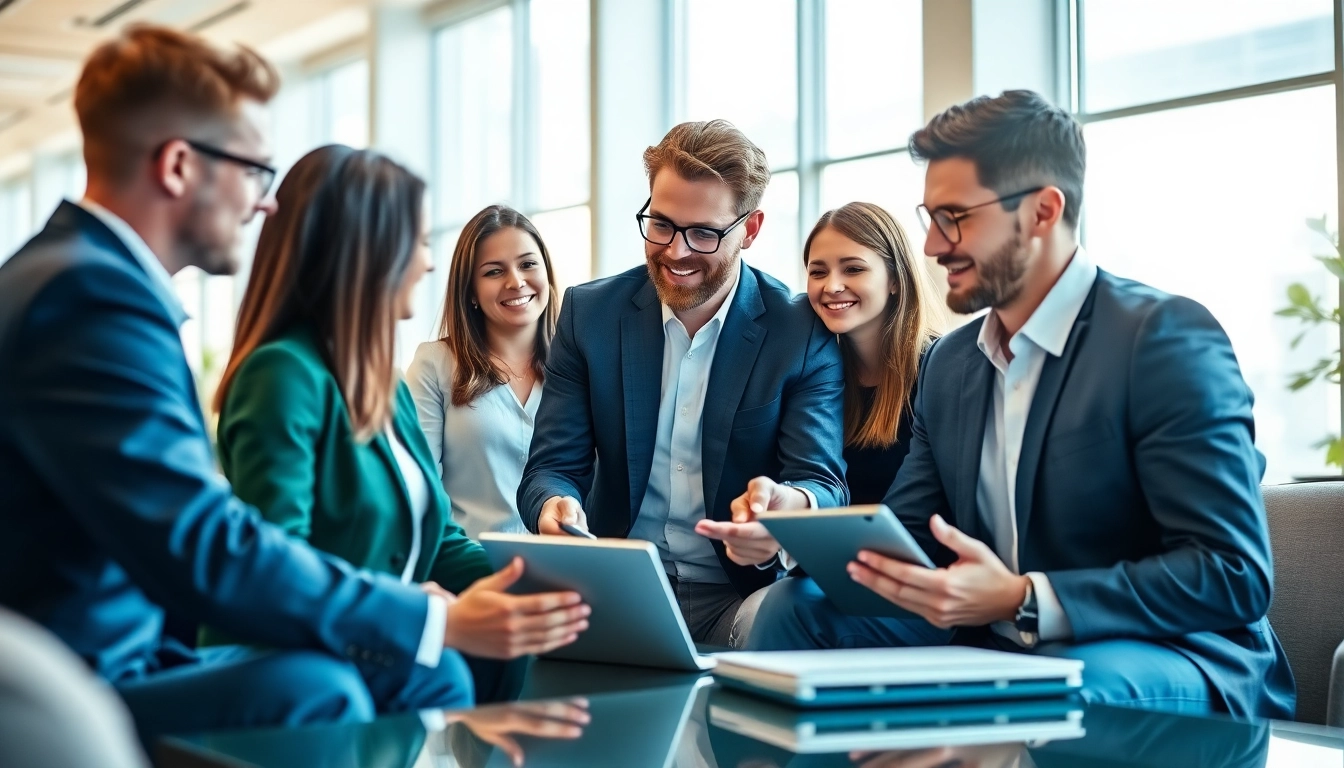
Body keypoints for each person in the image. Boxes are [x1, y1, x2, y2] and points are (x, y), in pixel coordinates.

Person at [0, 24, 563, 742]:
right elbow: (208, 543)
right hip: (67, 682)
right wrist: (430, 616)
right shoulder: (89, 299)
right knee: (317, 689)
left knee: (422, 672)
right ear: (178, 166)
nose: (266, 203)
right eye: (254, 172)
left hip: (121, 654)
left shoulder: (81, 281)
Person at [746, 90, 1296, 720]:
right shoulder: (952, 363)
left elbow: (1232, 574)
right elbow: (907, 536)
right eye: (930, 217)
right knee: (796, 609)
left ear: (1042, 210)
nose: (930, 245)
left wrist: (1021, 597)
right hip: (994, 637)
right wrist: (789, 535)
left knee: (1061, 687)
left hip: (1167, 652)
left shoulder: (1163, 340)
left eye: (954, 217)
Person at [200, 147, 589, 700]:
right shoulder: (283, 374)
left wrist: (526, 586)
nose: (429, 263)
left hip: (364, 642)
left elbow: (435, 539)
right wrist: (418, 613)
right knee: (444, 673)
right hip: (298, 659)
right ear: (365, 252)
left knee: (513, 650)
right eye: (420, 242)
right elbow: (278, 566)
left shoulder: (379, 378)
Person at [516, 119, 848, 648]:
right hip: (619, 587)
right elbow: (552, 467)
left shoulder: (799, 330)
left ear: (752, 229)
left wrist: (787, 510)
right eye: (662, 224)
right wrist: (553, 504)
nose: (675, 251)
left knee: (786, 618)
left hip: (742, 595)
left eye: (703, 233)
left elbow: (824, 484)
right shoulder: (590, 314)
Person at [407, 205, 559, 539]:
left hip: (569, 574)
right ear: (471, 292)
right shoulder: (435, 364)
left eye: (528, 264)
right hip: (471, 572)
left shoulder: (579, 364)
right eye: (493, 272)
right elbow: (421, 492)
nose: (516, 282)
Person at [800, 202, 944, 504]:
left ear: (895, 278)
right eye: (818, 272)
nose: (832, 286)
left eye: (853, 269)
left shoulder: (938, 368)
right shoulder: (813, 373)